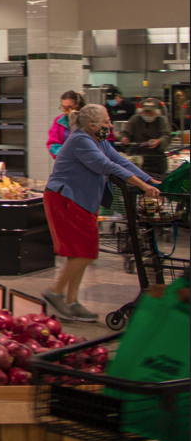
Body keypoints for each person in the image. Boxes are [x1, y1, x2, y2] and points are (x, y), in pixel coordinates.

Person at [43, 103, 158, 321]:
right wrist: (143, 187)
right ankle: (55, 292)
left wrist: (149, 180)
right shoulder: (80, 140)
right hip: (66, 198)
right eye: (107, 122)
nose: (111, 125)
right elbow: (107, 166)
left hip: (80, 200)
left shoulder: (98, 140)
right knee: (85, 251)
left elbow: (120, 160)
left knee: (81, 251)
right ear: (94, 125)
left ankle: (71, 301)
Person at [123, 98, 172, 177]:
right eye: (146, 112)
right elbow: (125, 133)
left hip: (157, 160)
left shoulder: (161, 120)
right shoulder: (134, 119)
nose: (148, 115)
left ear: (156, 112)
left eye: (151, 113)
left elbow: (167, 135)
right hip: (138, 158)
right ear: (141, 112)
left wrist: (159, 141)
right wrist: (125, 138)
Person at [48, 90, 85, 159]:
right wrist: (66, 154)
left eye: (70, 107)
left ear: (77, 106)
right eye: (64, 107)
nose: (66, 110)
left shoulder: (86, 121)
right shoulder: (59, 121)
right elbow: (52, 144)